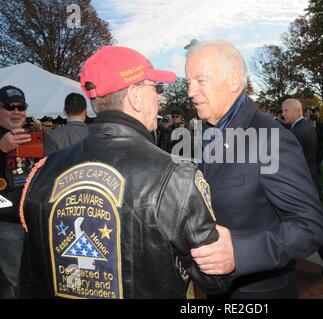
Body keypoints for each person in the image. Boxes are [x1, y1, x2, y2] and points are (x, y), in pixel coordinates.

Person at [18, 46, 230, 299]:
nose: (160, 98)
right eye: (156, 88)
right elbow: (215, 280)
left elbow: (29, 281)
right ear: (135, 97)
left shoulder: (42, 173)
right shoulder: (175, 176)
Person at [186, 40, 323, 298]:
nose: (190, 92)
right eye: (188, 83)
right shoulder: (209, 134)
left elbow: (311, 226)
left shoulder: (271, 137)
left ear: (232, 81)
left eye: (200, 80)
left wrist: (239, 253)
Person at [282, 99, 323, 276]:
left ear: (296, 111)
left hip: (301, 185)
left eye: (286, 110)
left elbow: (291, 161)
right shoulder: (306, 127)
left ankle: (288, 264)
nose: (283, 113)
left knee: (294, 222)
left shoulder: (298, 131)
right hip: (308, 181)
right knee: (302, 222)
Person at [0, 85, 35, 298]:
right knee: (13, 282)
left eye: (20, 107)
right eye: (9, 106)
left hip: (32, 219)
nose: (16, 111)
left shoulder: (32, 136)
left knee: (31, 278)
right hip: (6, 223)